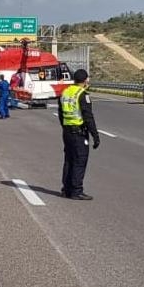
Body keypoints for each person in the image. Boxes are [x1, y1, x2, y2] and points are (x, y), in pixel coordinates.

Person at [58, 68, 100, 200]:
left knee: (69, 160)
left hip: (67, 132)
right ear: (85, 80)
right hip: (79, 133)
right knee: (79, 161)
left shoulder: (66, 92)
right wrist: (95, 135)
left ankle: (66, 189)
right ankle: (76, 190)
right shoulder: (82, 94)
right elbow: (88, 117)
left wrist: (65, 127)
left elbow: (60, 113)